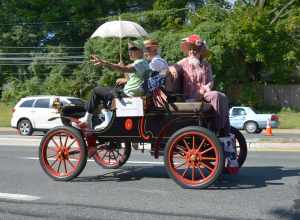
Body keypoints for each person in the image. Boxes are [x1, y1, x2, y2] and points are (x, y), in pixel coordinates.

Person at [79, 40, 150, 130]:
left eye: (133, 48)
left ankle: (88, 119)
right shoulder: (141, 63)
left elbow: (124, 69)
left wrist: (106, 63)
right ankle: (107, 119)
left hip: (128, 95)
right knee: (107, 90)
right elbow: (129, 78)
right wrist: (122, 68)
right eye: (129, 49)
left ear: (141, 51)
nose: (130, 51)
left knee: (96, 90)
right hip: (129, 93)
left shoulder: (141, 62)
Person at [176, 34, 230, 136]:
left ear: (200, 52)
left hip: (204, 94)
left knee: (222, 96)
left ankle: (224, 129)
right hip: (190, 95)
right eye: (190, 49)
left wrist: (207, 87)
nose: (192, 52)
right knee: (216, 95)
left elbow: (211, 81)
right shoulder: (183, 62)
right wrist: (171, 69)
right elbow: (172, 68)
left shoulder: (206, 65)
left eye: (195, 50)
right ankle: (216, 129)